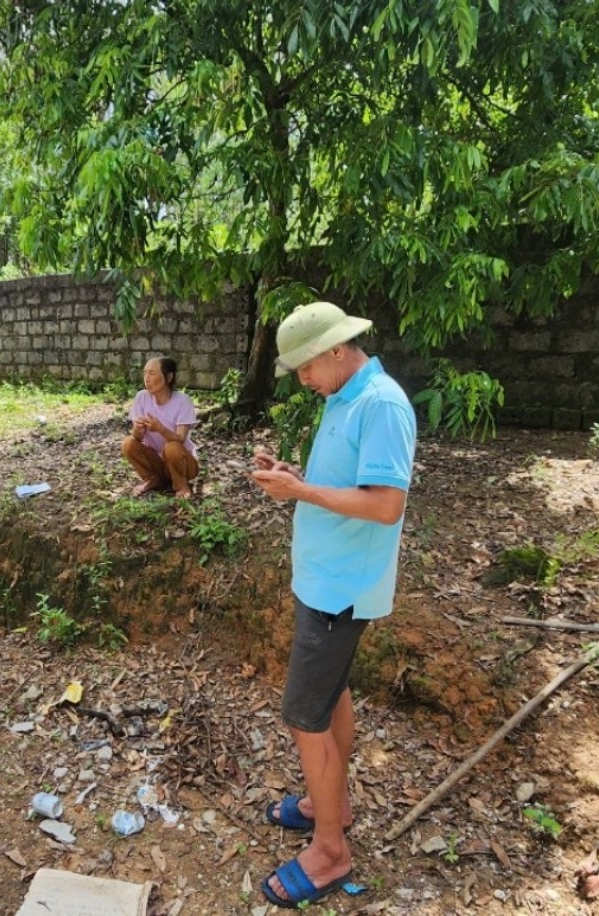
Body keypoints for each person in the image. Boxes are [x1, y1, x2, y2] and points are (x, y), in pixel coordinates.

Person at [249, 301, 416, 909]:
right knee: (331, 691)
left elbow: (384, 504)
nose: (303, 379)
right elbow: (345, 484)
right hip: (324, 580)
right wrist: (293, 477)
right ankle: (334, 805)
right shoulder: (344, 399)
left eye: (305, 367)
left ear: (337, 350)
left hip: (341, 591)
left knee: (305, 714)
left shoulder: (382, 405)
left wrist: (301, 490)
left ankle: (329, 851)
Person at [121, 356, 200, 499]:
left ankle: (181, 484)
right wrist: (138, 430)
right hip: (158, 464)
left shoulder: (183, 401)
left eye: (152, 373)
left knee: (171, 446)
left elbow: (180, 439)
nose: (146, 378)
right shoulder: (141, 397)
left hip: (184, 464)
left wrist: (160, 428)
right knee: (129, 443)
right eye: (145, 372)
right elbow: (137, 438)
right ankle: (152, 478)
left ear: (168, 377)